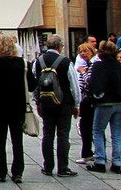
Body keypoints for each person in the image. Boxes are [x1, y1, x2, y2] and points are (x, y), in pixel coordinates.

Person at [0, 35, 36, 183]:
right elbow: (32, 85)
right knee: (17, 140)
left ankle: (1, 172)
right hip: (17, 106)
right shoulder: (22, 63)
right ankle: (17, 172)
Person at [33, 34, 79, 178]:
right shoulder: (65, 62)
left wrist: (37, 101)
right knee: (63, 134)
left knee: (48, 134)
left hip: (46, 102)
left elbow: (35, 84)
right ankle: (63, 168)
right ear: (60, 47)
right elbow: (74, 85)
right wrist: (77, 104)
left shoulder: (38, 61)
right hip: (64, 103)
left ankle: (47, 167)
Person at [86, 40, 121, 174]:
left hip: (104, 102)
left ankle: (100, 161)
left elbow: (92, 83)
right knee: (117, 133)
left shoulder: (98, 65)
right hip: (120, 102)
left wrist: (93, 97)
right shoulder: (120, 66)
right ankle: (117, 163)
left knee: (98, 131)